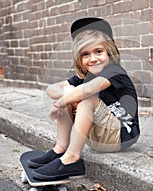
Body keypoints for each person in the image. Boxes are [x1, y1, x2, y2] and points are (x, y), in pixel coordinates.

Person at [28, 17, 140, 181]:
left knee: (86, 97)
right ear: (79, 60)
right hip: (97, 137)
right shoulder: (85, 76)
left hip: (121, 135)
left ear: (110, 52)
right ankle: (60, 149)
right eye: (85, 54)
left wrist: (60, 103)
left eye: (98, 52)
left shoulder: (115, 72)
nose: (93, 58)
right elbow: (51, 89)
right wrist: (66, 97)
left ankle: (72, 159)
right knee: (70, 91)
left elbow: (88, 90)